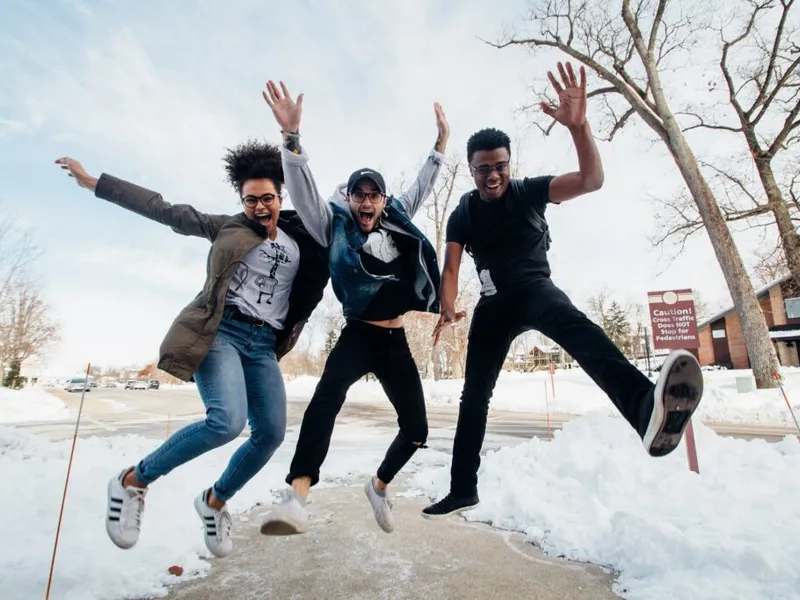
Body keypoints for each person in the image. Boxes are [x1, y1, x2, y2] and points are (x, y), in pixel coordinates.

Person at [422, 61, 704, 518]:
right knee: (474, 395)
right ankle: (462, 487)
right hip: (494, 306)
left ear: (508, 165)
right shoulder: (463, 213)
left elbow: (591, 180)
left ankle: (644, 409)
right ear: (470, 169)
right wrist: (447, 307)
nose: (491, 176)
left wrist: (579, 127)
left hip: (535, 289)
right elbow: (450, 266)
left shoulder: (531, 191)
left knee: (581, 332)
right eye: (481, 170)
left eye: (499, 167)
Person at [54, 141, 329, 556]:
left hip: (263, 345)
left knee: (270, 433)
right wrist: (96, 183)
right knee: (226, 422)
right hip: (220, 333)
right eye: (250, 200)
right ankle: (132, 481)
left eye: (267, 198)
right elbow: (163, 209)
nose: (259, 207)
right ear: (242, 201)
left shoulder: (301, 238)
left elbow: (334, 226)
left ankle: (214, 502)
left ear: (281, 197)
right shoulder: (227, 227)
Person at [257, 81, 448, 534]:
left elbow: (422, 186)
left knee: (418, 429)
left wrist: (440, 145)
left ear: (382, 200)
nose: (366, 202)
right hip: (358, 334)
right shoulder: (333, 226)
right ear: (350, 199)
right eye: (358, 195)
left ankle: (379, 486)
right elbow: (303, 194)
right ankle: (297, 496)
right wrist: (292, 141)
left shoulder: (397, 216)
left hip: (395, 338)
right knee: (323, 404)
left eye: (373, 195)